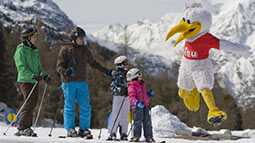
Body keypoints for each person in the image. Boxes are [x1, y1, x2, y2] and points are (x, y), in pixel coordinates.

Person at [56, 26, 110, 139]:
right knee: (70, 106)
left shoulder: (85, 50)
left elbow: (93, 63)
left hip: (81, 82)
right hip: (69, 82)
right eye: (80, 38)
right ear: (73, 38)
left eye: (83, 38)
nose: (82, 40)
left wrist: (106, 71)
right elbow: (59, 66)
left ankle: (84, 128)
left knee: (85, 106)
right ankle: (70, 128)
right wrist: (64, 71)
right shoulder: (65, 50)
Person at [13, 26, 49, 136]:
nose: (36, 38)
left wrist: (43, 76)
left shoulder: (34, 50)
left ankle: (27, 127)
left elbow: (38, 66)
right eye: (34, 36)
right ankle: (22, 127)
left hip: (34, 81)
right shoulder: (20, 50)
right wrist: (32, 76)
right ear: (27, 38)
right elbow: (21, 67)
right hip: (25, 80)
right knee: (29, 102)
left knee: (33, 104)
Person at [127, 68, 155, 142]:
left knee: (147, 121)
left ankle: (149, 136)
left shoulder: (142, 84)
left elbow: (143, 96)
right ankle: (136, 135)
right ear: (134, 76)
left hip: (145, 105)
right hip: (137, 107)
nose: (141, 75)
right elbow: (131, 96)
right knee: (137, 122)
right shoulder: (132, 86)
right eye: (139, 74)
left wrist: (148, 95)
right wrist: (136, 102)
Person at [107, 55, 130, 141]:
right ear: (120, 64)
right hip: (118, 96)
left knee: (125, 114)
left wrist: (130, 90)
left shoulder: (128, 73)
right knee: (116, 114)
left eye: (127, 63)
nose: (127, 65)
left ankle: (124, 132)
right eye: (125, 63)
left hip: (127, 96)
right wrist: (120, 89)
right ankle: (112, 132)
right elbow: (113, 85)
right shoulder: (116, 73)